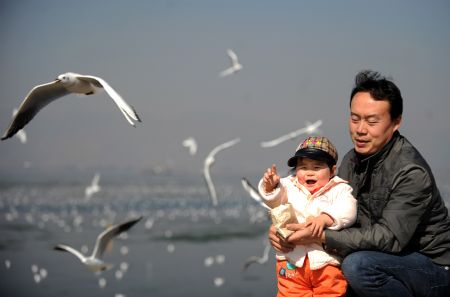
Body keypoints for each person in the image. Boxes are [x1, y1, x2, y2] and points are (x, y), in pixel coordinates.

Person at [268, 70, 450, 296]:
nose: (360, 130)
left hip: (432, 266)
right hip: (384, 257)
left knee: (357, 266)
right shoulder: (351, 160)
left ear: (396, 123)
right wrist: (283, 231)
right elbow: (325, 207)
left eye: (372, 121)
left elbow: (389, 238)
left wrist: (321, 237)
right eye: (355, 119)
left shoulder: (411, 171)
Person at [258, 136, 357, 296]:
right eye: (303, 167)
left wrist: (324, 218)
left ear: (332, 170)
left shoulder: (339, 189)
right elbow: (274, 200)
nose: (309, 172)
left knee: (330, 293)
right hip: (291, 261)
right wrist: (270, 187)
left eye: (317, 167)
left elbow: (348, 209)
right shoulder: (289, 185)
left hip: (326, 263)